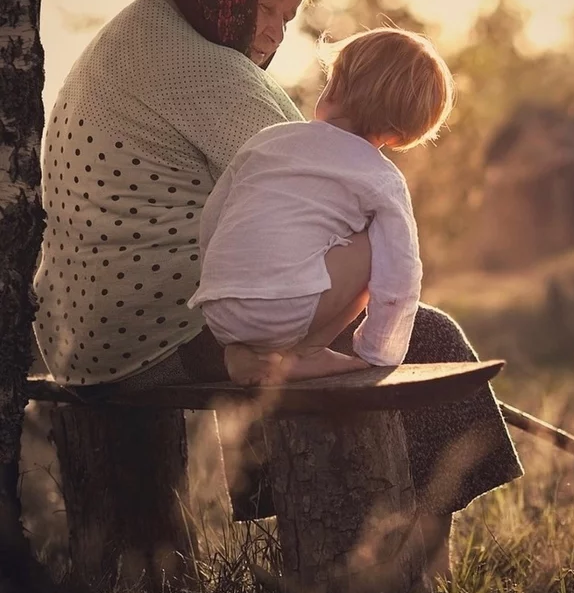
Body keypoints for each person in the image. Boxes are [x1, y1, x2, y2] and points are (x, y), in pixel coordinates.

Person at [32, 0, 522, 577]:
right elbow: (326, 183)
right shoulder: (207, 71)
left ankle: (377, 538)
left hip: (83, 332)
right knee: (424, 334)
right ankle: (410, 564)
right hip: (155, 335)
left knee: (310, 307)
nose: (273, 29)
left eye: (287, 17)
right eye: (266, 5)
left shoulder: (141, 33)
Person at [188, 27, 454, 387]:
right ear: (399, 134)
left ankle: (243, 353)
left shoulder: (267, 141)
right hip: (285, 310)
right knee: (379, 246)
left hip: (219, 309)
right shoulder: (381, 178)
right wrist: (379, 353)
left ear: (333, 87)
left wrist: (219, 282)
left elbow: (213, 219)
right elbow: (401, 273)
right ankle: (305, 351)